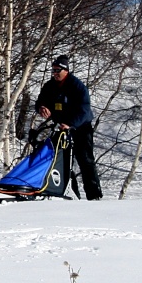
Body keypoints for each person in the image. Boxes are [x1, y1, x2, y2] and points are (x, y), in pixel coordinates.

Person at [35, 54, 103, 200]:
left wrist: (71, 124)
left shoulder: (77, 86)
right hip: (60, 128)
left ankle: (94, 195)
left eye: (57, 71)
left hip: (80, 127)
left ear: (66, 71)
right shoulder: (50, 86)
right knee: (64, 161)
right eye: (53, 71)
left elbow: (84, 110)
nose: (55, 74)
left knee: (85, 160)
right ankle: (72, 194)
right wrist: (41, 108)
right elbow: (40, 101)